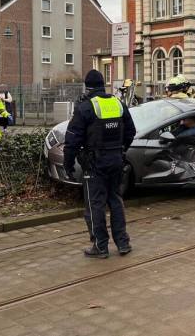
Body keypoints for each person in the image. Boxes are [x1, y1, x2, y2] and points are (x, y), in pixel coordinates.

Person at [64, 70, 136, 258]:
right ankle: (123, 244)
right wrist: (120, 150)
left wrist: (68, 165)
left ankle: (100, 247)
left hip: (95, 164)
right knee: (115, 201)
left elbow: (72, 140)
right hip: (116, 162)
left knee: (95, 205)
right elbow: (131, 131)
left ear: (87, 87)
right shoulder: (118, 103)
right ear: (103, 85)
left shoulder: (86, 107)